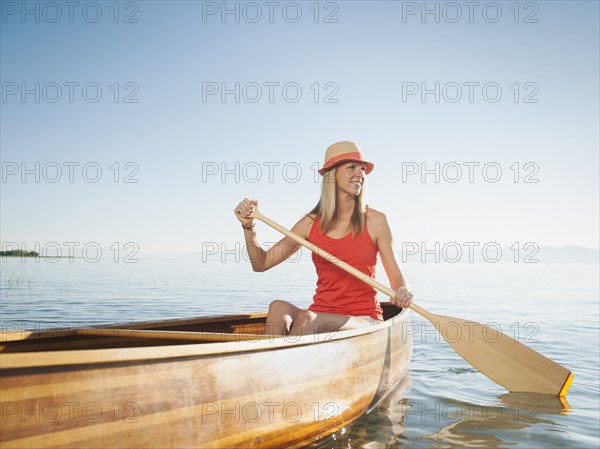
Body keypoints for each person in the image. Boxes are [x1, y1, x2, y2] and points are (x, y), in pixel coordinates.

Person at [234, 141, 414, 336]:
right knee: (277, 308)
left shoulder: (375, 221)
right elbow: (261, 264)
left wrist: (402, 290)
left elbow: (396, 277)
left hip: (363, 319)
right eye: (351, 167)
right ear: (332, 174)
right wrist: (248, 226)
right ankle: (272, 363)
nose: (360, 174)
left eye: (362, 169)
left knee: (308, 320)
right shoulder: (310, 224)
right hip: (319, 315)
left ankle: (280, 363)